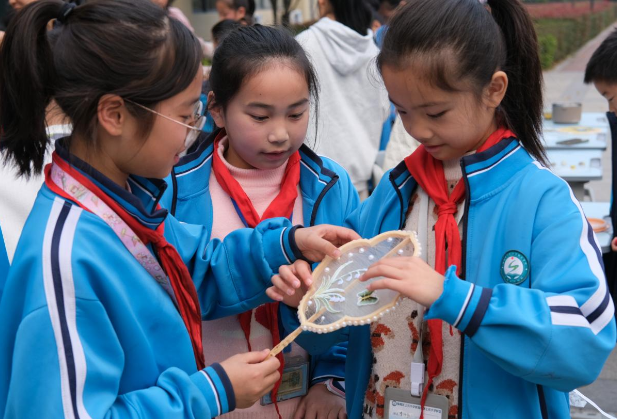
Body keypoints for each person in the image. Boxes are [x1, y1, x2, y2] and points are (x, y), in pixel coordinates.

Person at [0, 1, 358, 418]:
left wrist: (290, 242)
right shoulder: (65, 256)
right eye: (186, 115)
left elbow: (200, 268)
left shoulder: (129, 205)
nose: (195, 132)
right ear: (115, 115)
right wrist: (210, 391)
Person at [275, 0, 617, 418]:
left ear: (494, 89)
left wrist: (456, 298)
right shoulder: (395, 192)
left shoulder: (541, 200)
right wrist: (310, 300)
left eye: (435, 112)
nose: (417, 130)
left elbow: (587, 338)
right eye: (402, 112)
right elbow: (340, 325)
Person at [161, 24, 357, 419]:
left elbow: (358, 300)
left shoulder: (330, 186)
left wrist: (332, 380)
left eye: (297, 113)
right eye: (260, 116)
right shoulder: (174, 187)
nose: (280, 134)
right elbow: (172, 298)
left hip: (307, 404)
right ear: (215, 108)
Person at [296, 0, 390, 199]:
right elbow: (384, 110)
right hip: (360, 185)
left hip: (311, 180)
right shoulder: (372, 51)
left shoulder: (303, 45)